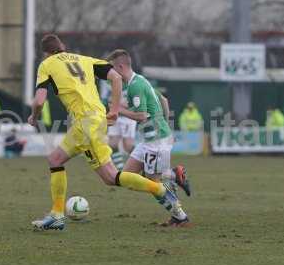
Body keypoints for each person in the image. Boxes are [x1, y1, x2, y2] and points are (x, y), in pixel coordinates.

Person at [28, 34, 181, 231]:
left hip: (85, 123)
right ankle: (56, 214)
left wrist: (34, 116)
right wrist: (115, 110)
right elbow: (115, 77)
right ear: (63, 47)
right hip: (95, 119)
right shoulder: (83, 59)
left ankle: (160, 188)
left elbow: (39, 101)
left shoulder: (46, 64)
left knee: (110, 175)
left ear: (46, 54)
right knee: (60, 161)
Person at [106, 49, 191, 226]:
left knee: (153, 184)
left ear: (120, 67)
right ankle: (174, 175)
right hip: (151, 140)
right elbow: (164, 100)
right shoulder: (139, 81)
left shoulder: (135, 86)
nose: (110, 75)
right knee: (127, 178)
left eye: (112, 70)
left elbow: (142, 116)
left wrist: (117, 109)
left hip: (156, 142)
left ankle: (180, 216)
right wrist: (165, 125)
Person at [101, 79, 137, 171]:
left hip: (127, 117)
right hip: (115, 116)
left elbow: (134, 102)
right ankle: (121, 170)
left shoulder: (130, 80)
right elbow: (104, 99)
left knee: (128, 146)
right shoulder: (105, 81)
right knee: (112, 144)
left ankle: (144, 164)